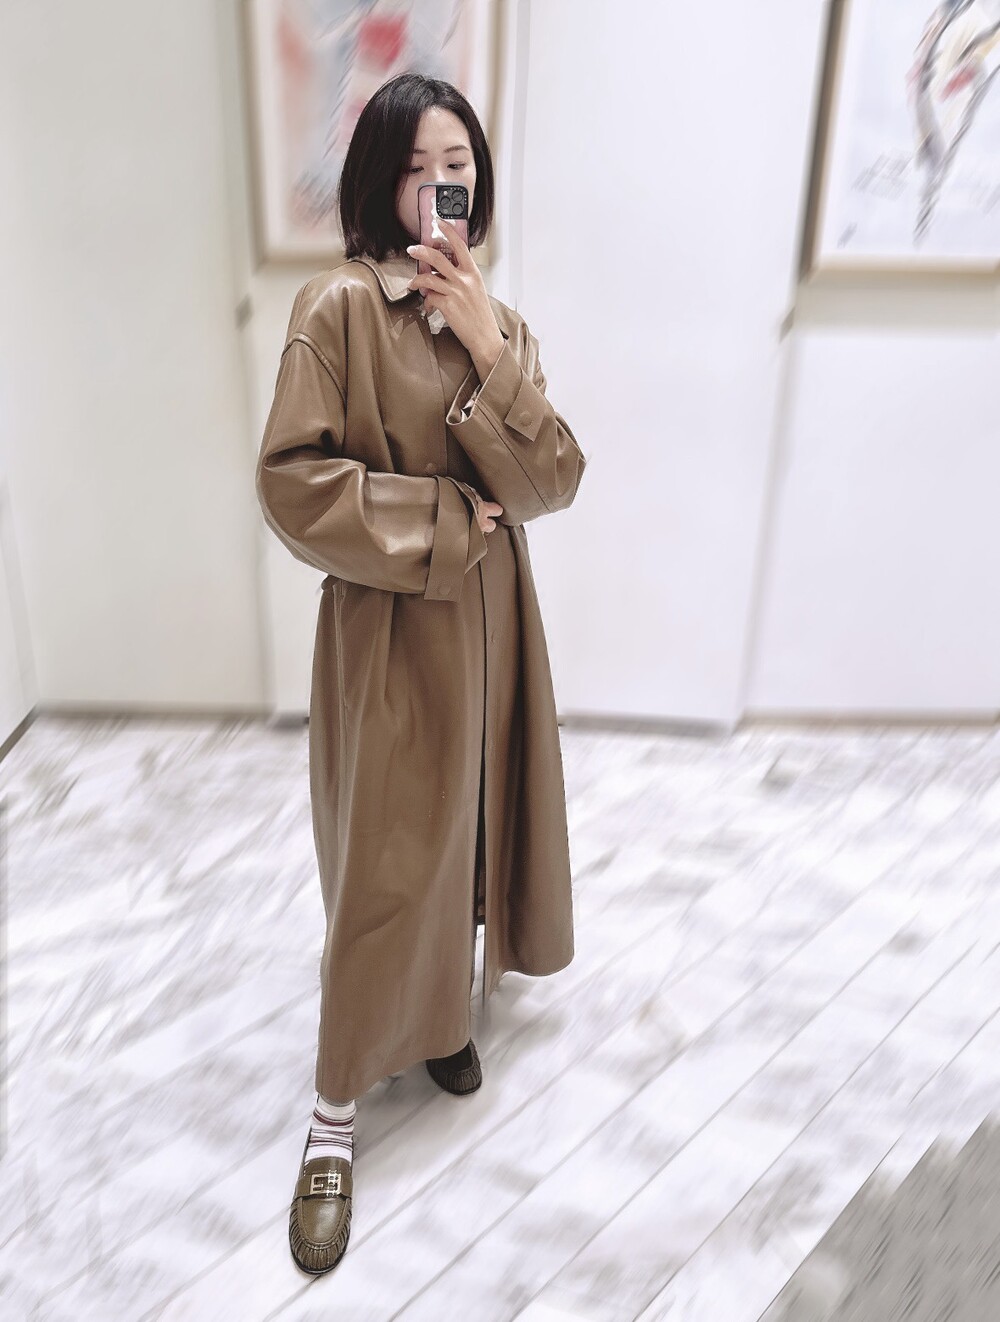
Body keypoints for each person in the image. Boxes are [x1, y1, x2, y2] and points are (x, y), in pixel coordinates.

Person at [255, 71, 587, 1276]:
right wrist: (446, 518)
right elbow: (294, 482)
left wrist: (488, 345)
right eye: (414, 167)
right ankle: (333, 1118)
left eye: (457, 166)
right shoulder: (338, 306)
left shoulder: (506, 324)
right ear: (377, 182)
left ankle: (441, 1015)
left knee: (474, 831)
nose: (439, 186)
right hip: (392, 631)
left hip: (494, 627)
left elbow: (549, 485)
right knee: (386, 863)